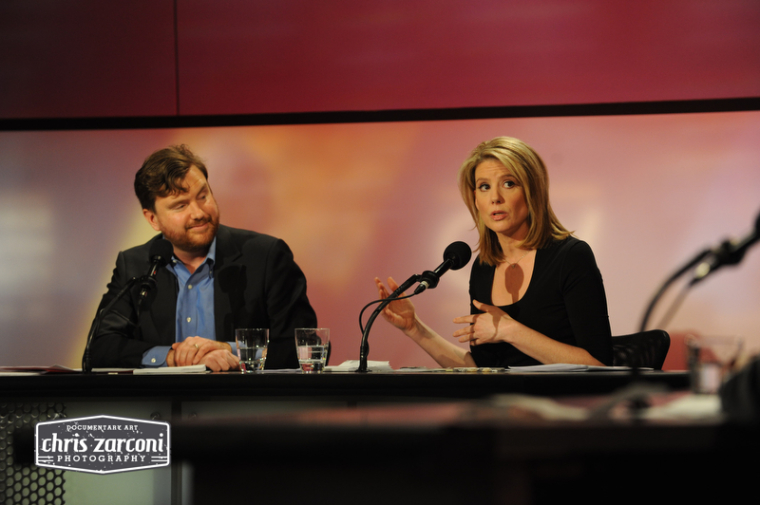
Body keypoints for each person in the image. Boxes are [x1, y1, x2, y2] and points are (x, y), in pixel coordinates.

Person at [375, 136, 612, 368]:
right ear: (475, 199)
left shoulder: (571, 257)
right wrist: (414, 328)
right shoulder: (483, 267)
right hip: (498, 406)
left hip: (561, 405)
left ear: (532, 192)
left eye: (509, 184)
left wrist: (510, 331)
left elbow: (598, 364)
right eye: (484, 187)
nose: (495, 198)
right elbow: (483, 368)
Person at [88, 145, 317, 371]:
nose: (199, 213)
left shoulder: (266, 256)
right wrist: (173, 358)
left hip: (245, 404)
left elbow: (307, 348)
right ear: (152, 219)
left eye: (203, 196)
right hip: (160, 405)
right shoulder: (136, 265)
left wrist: (230, 351)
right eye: (180, 206)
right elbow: (99, 348)